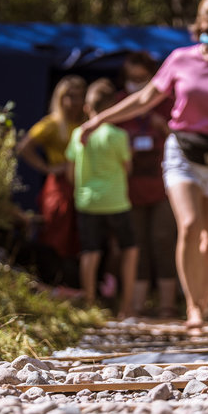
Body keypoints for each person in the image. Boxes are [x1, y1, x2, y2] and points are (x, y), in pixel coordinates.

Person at [79, 0, 208, 334]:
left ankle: (205, 301)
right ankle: (194, 308)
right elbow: (144, 98)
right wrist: (98, 119)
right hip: (182, 149)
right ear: (198, 27)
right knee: (190, 225)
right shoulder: (180, 59)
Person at [65, 78, 139, 319]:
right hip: (116, 201)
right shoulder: (118, 135)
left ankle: (89, 305)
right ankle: (126, 306)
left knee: (90, 251)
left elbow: (69, 172)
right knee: (129, 249)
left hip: (87, 201)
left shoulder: (78, 133)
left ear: (88, 107)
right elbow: (127, 168)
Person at [116, 51, 178, 317]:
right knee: (136, 243)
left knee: (164, 239)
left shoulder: (167, 103)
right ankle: (137, 305)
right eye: (131, 78)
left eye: (141, 79)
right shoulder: (119, 103)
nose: (136, 83)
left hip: (163, 185)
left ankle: (168, 305)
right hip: (129, 187)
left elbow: (181, 137)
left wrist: (163, 127)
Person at [16, 75, 86, 288]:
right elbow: (23, 147)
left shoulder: (84, 123)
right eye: (69, 97)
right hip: (59, 187)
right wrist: (48, 168)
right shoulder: (53, 124)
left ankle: (74, 285)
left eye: (78, 97)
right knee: (56, 234)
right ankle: (54, 283)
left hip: (82, 185)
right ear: (60, 98)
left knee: (78, 237)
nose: (73, 103)